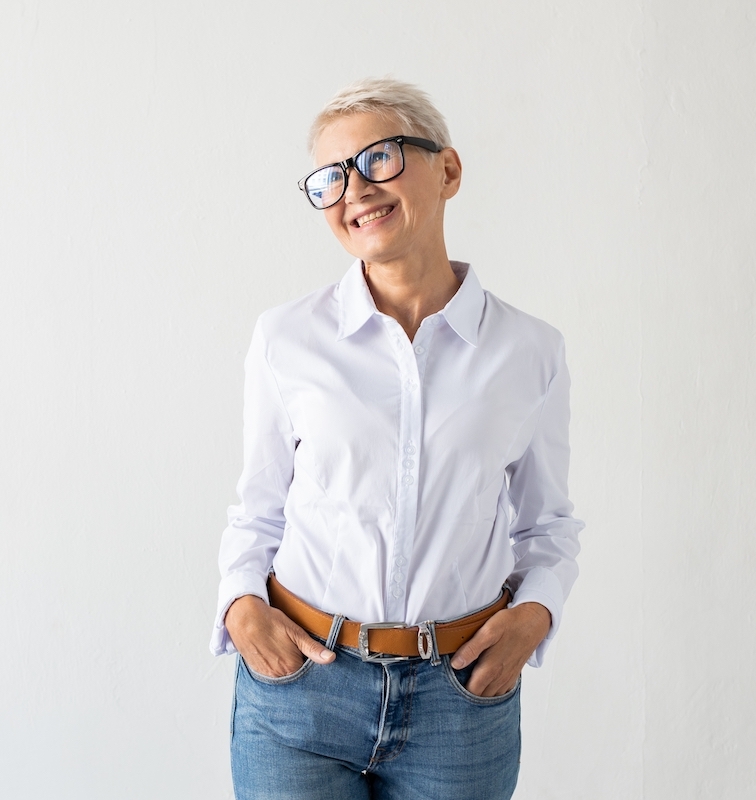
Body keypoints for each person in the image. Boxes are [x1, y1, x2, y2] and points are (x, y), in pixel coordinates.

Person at [210, 77, 583, 800]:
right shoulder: (286, 338)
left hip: (459, 702)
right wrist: (239, 605)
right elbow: (257, 508)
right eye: (330, 178)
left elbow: (549, 525)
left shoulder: (529, 350)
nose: (354, 189)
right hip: (302, 687)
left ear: (447, 170)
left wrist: (533, 618)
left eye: (379, 158)